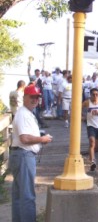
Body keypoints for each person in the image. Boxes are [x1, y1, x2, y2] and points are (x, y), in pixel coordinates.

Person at [9, 84, 53, 222]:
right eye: (32, 97)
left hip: (20, 154)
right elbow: (24, 138)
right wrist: (42, 139)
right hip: (24, 155)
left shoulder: (26, 113)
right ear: (25, 97)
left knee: (18, 195)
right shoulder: (23, 114)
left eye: (37, 97)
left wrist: (39, 136)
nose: (35, 100)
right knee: (27, 196)